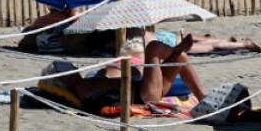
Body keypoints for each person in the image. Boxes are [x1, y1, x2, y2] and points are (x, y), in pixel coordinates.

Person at [61, 34, 209, 104]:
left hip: (147, 88)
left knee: (181, 58)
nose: (74, 70)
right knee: (153, 47)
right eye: (71, 71)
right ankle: (175, 50)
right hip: (144, 96)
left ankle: (203, 99)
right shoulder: (81, 90)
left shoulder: (89, 81)